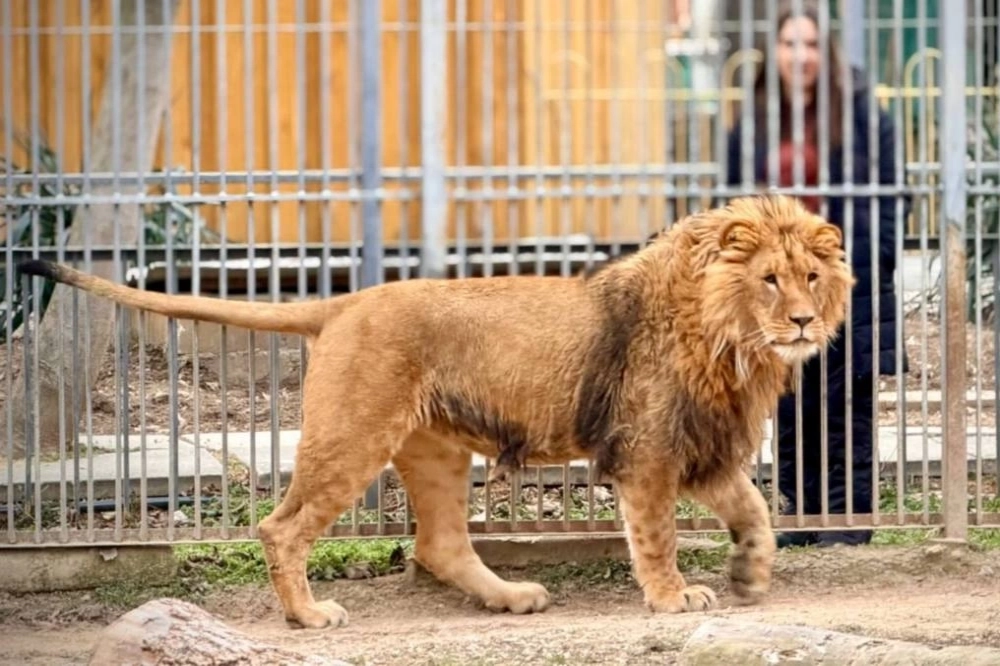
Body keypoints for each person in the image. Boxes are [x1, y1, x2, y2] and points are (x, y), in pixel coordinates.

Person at [723, 0, 910, 547]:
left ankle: (847, 521)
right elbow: (734, 203)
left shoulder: (860, 113)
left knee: (845, 401)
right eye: (788, 45)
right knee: (786, 401)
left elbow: (890, 196)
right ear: (774, 53)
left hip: (840, 281)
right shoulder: (757, 116)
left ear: (823, 52)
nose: (799, 56)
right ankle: (801, 515)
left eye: (808, 44)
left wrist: (869, 261)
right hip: (775, 290)